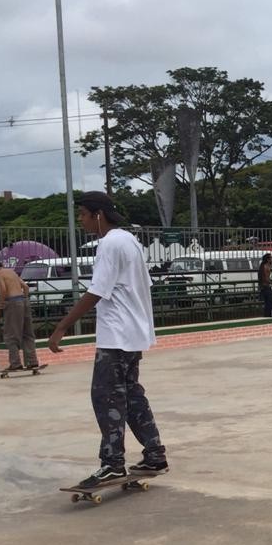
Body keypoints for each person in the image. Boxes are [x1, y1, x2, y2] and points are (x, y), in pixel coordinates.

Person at [48, 192, 168, 489]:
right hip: (133, 333)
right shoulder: (129, 240)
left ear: (98, 215)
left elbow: (97, 291)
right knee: (132, 394)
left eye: (83, 214)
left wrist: (62, 326)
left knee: (106, 397)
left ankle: (113, 464)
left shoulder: (109, 244)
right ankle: (154, 454)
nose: (81, 220)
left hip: (116, 336)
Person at [0, 257, 38, 372]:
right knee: (27, 333)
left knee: (11, 335)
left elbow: (3, 290)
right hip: (23, 301)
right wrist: (25, 300)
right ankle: (32, 361)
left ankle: (15, 363)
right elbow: (25, 287)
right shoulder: (11, 272)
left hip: (13, 303)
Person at [257, 252, 272, 317]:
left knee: (268, 302)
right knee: (269, 302)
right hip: (265, 286)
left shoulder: (265, 266)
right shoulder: (265, 267)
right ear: (268, 259)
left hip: (265, 286)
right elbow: (265, 278)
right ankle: (268, 315)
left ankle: (267, 315)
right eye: (271, 258)